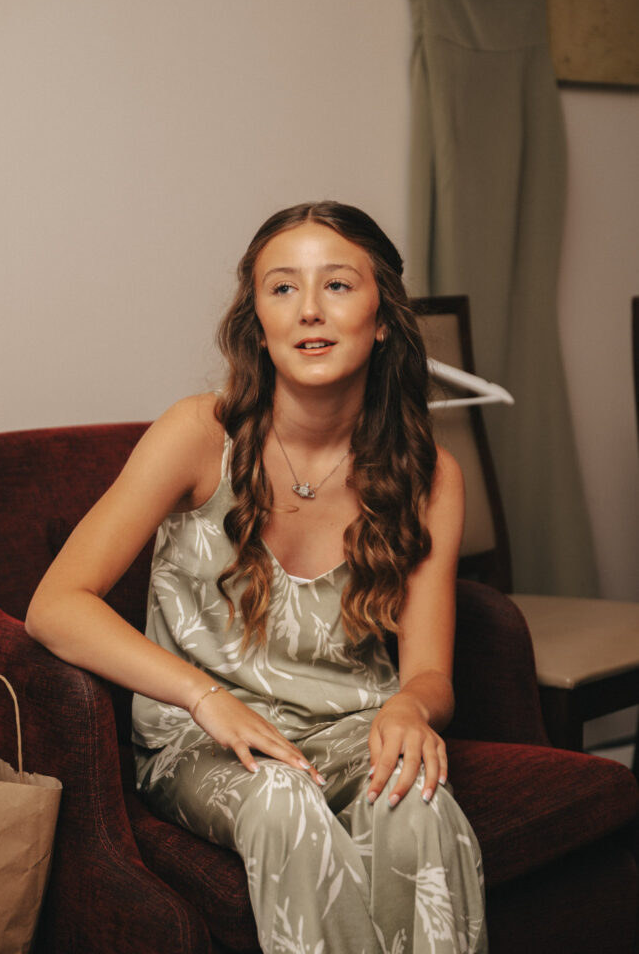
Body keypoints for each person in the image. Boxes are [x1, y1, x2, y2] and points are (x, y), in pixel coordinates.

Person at [26, 201, 487, 954]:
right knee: (282, 800)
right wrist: (203, 697)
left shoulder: (430, 476)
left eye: (336, 285)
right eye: (282, 289)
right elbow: (55, 606)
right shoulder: (197, 435)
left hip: (349, 730)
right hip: (205, 741)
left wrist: (410, 706)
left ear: (382, 319)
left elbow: (431, 669)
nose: (308, 310)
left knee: (419, 805)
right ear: (257, 323)